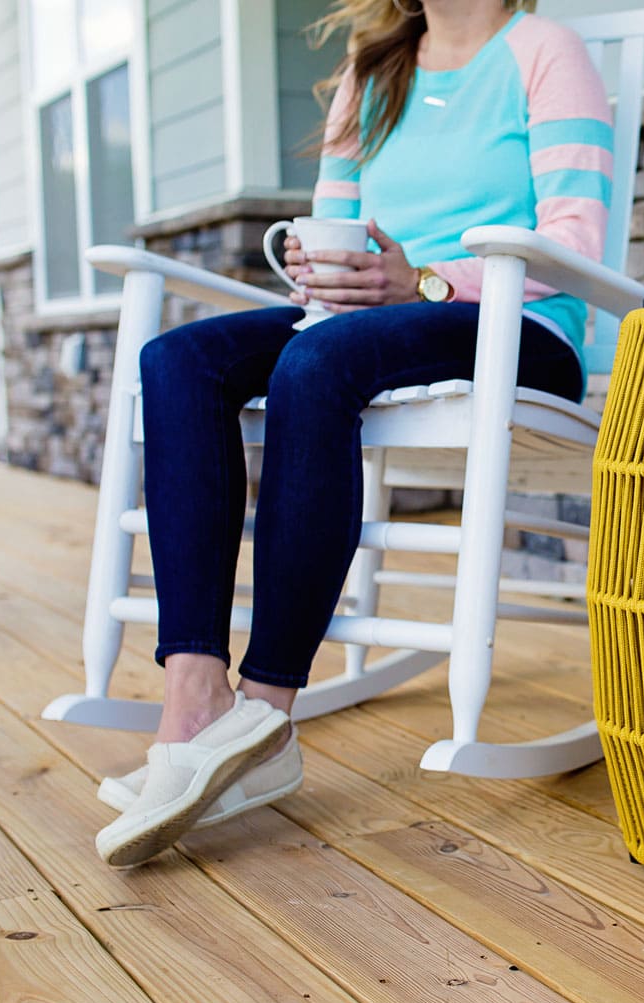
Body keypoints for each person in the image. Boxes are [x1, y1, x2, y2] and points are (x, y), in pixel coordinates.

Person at [94, 0, 612, 867]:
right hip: (361, 324)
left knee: (316, 364)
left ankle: (266, 711)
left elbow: (574, 241)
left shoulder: (543, 51)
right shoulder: (373, 72)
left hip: (519, 328)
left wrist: (424, 281)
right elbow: (328, 234)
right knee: (178, 361)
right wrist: (315, 267)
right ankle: (193, 703)